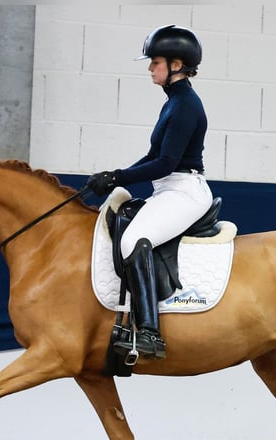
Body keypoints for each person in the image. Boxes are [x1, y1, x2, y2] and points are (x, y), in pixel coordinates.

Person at [87, 24, 213, 360]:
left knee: (133, 241)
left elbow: (166, 162)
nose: (149, 68)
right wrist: (115, 176)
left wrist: (119, 176)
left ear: (176, 65)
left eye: (155, 61)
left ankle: (151, 334)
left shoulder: (185, 104)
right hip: (170, 188)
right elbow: (154, 157)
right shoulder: (174, 102)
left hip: (184, 191)